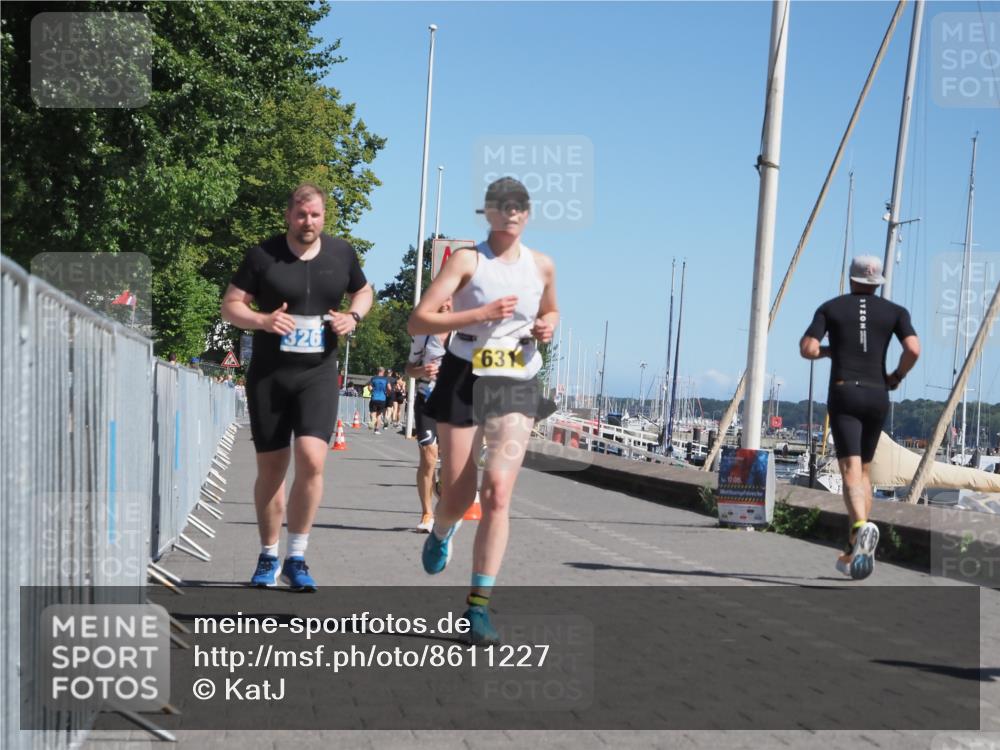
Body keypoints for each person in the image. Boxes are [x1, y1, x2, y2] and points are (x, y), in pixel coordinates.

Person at [408, 177, 559, 645]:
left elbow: (552, 311)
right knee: (459, 495)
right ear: (488, 214)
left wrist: (547, 325)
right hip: (464, 375)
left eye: (519, 207)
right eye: (501, 207)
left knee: (497, 492)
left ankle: (477, 608)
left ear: (527, 215)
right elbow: (419, 319)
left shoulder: (543, 266)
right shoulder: (468, 261)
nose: (510, 214)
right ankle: (443, 529)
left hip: (514, 377)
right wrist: (479, 315)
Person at [221, 182, 373, 591]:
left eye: (316, 215)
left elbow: (363, 290)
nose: (309, 222)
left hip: (318, 374)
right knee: (272, 469)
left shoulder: (341, 254)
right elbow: (230, 305)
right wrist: (263, 321)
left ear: (325, 217)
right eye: (302, 215)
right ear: (288, 216)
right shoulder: (263, 255)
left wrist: (352, 318)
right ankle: (268, 554)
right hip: (271, 375)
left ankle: (297, 555)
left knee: (312, 458)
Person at [800, 255, 919, 580]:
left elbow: (808, 348)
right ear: (877, 282)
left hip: (845, 392)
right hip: (878, 394)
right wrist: (896, 377)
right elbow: (914, 349)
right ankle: (857, 548)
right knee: (864, 470)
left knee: (850, 470)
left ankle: (857, 530)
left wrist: (829, 351)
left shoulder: (832, 307)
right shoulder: (896, 312)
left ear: (850, 278)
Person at [404, 299, 452, 533]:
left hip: (454, 403)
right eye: (441, 297)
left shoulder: (466, 334)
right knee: (428, 457)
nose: (446, 302)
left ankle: (443, 489)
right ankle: (427, 513)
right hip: (427, 400)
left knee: (451, 461)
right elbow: (409, 368)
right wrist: (423, 370)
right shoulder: (424, 335)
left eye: (451, 297)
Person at [369, 367, 389, 433]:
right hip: (382, 399)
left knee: (373, 413)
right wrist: (387, 392)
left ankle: (373, 420)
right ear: (383, 371)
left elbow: (369, 387)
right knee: (379, 415)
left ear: (377, 371)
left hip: (374, 398)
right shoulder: (386, 379)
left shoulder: (373, 378)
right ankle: (376, 430)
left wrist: (372, 391)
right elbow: (389, 388)